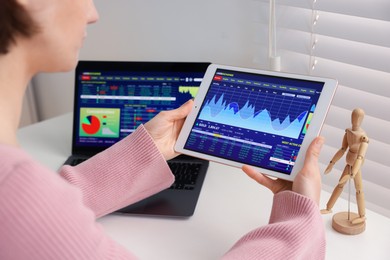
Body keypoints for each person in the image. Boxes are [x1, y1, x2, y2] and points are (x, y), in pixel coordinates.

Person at [0, 0, 326, 259]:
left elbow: (37, 214)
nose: (92, 14)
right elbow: (31, 215)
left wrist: (148, 151)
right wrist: (298, 220)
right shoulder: (14, 191)